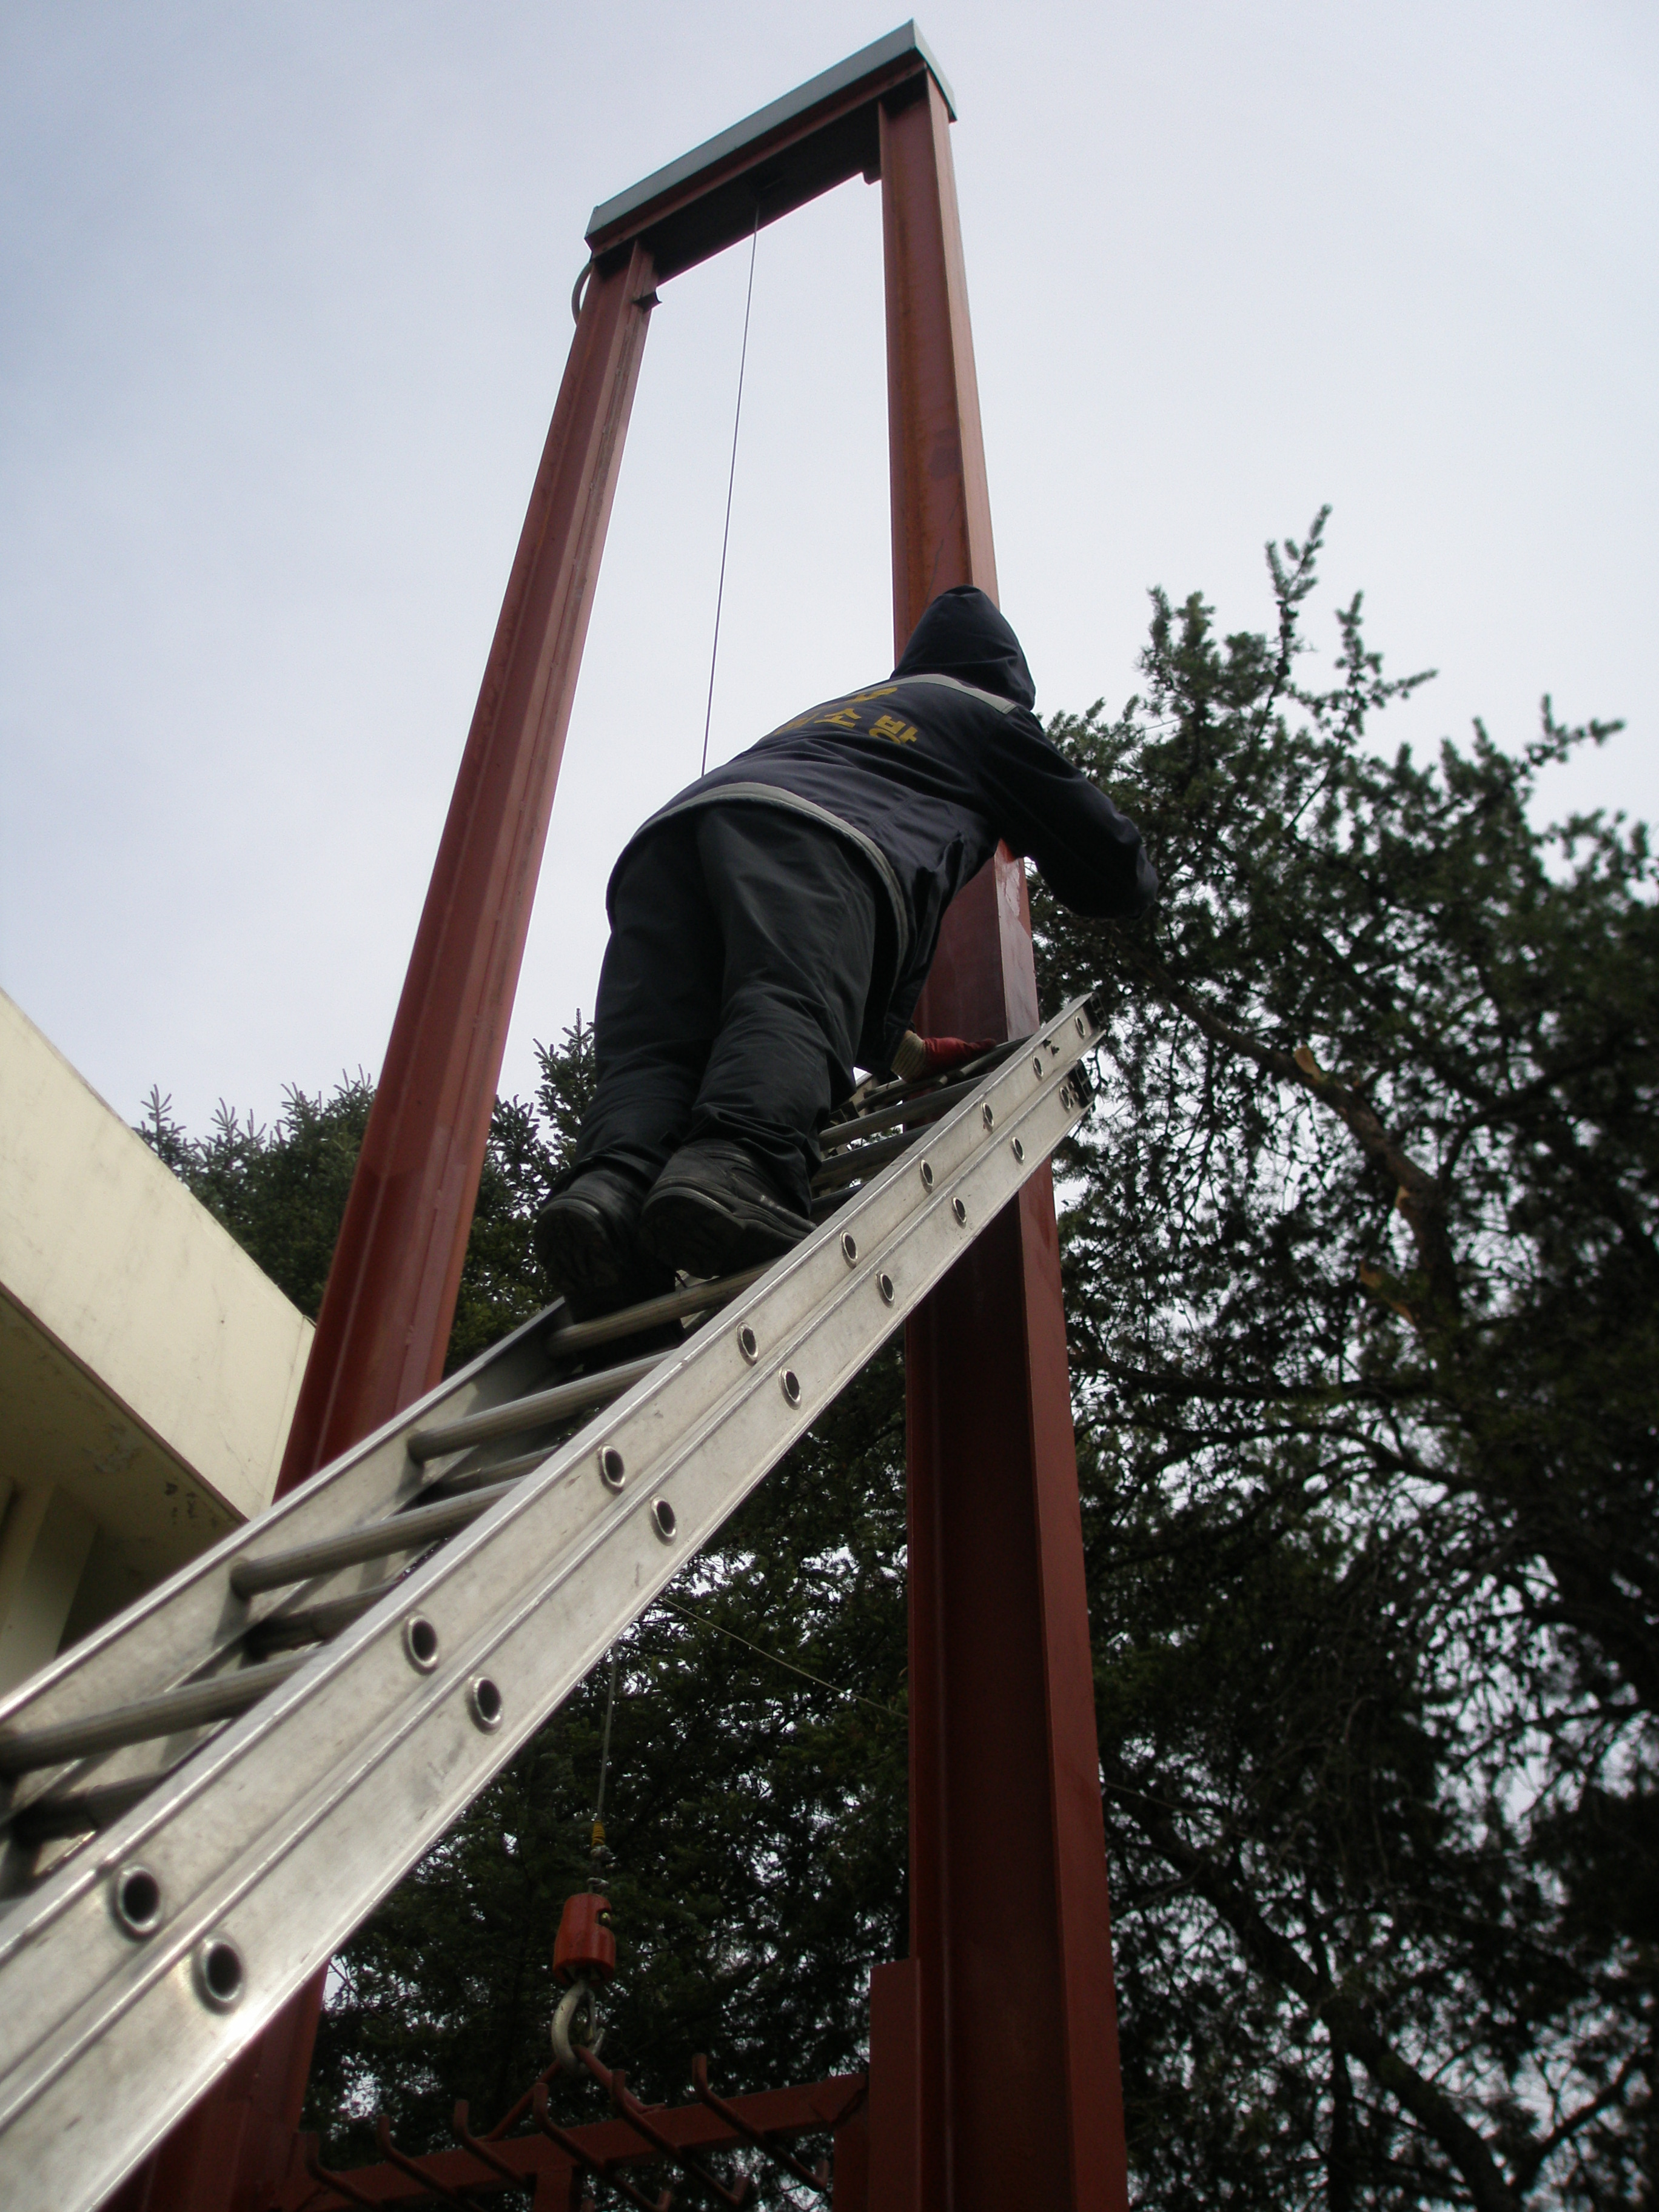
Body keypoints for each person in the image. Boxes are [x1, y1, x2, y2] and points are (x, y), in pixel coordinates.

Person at [533, 585, 1156, 1316]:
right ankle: (740, 1166)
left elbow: (802, 956)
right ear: (1008, 675)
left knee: (657, 1048)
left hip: (669, 844)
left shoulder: (842, 711)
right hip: (816, 837)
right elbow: (1110, 869)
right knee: (786, 998)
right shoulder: (987, 713)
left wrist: (907, 1053)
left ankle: (608, 1197)